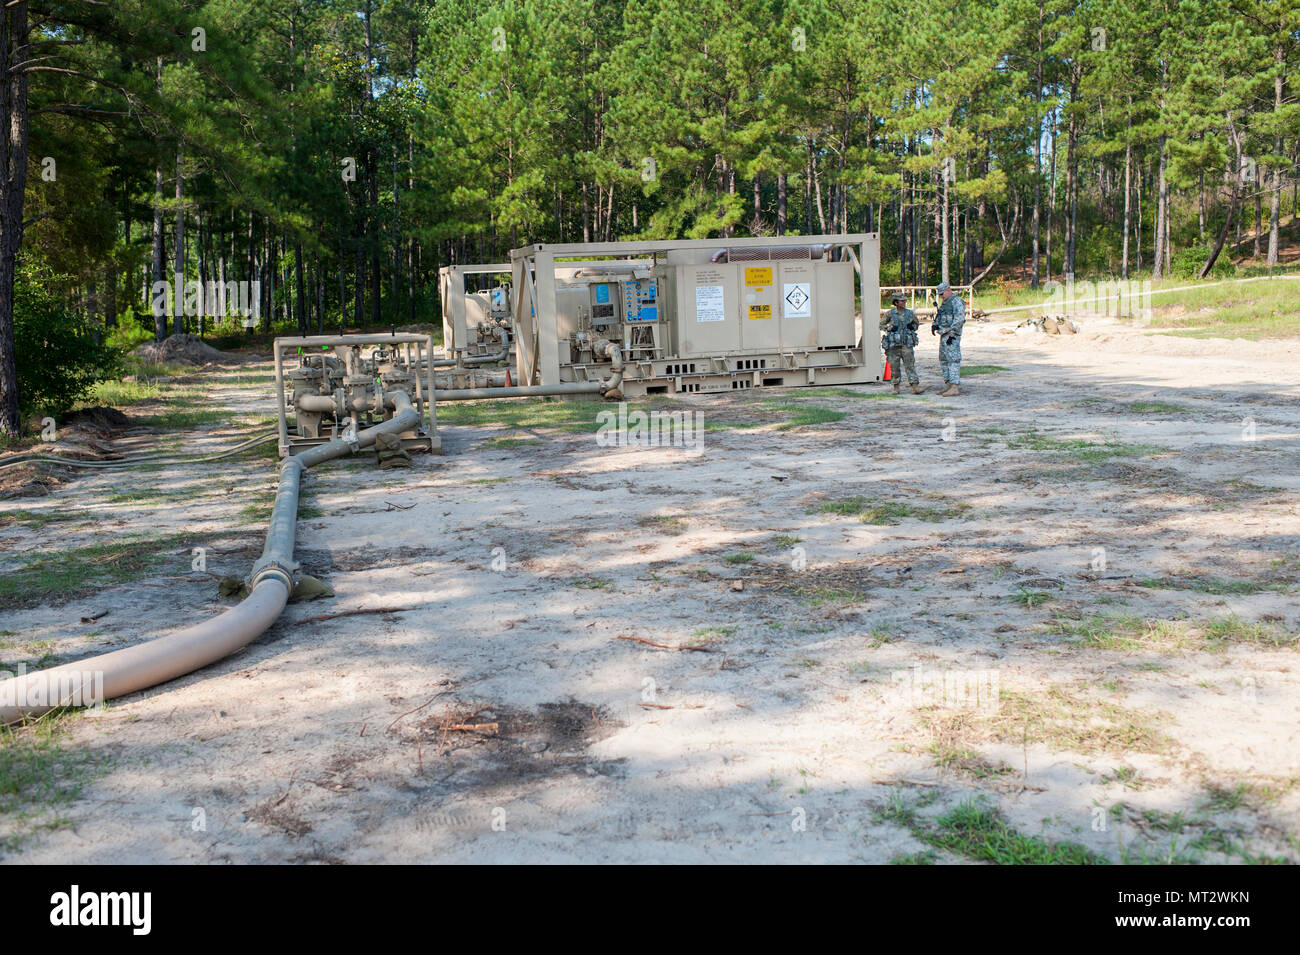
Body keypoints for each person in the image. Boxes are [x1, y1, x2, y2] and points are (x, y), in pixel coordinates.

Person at [878, 293, 925, 394]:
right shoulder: (890, 314)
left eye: (905, 301)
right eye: (902, 301)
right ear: (896, 303)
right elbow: (881, 325)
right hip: (893, 345)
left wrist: (912, 327)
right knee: (894, 366)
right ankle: (896, 387)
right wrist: (890, 328)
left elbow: (916, 324)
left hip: (906, 344)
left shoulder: (910, 313)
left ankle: (915, 386)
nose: (904, 303)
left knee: (910, 365)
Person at [931, 281, 967, 396]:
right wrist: (935, 324)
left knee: (953, 360)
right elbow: (941, 315)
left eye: (942, 294)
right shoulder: (945, 303)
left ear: (948, 290)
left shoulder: (957, 301)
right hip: (943, 334)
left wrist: (952, 333)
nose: (941, 296)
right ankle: (948, 384)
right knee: (943, 359)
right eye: (939, 295)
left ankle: (954, 386)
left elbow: (959, 319)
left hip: (951, 335)